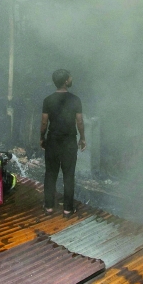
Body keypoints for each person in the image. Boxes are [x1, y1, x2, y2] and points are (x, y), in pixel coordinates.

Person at [41, 69, 86, 216]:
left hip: (53, 140)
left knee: (50, 174)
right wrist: (83, 137)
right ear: (66, 81)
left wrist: (42, 137)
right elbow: (79, 121)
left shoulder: (48, 100)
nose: (72, 78)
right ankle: (67, 209)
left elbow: (44, 122)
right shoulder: (75, 100)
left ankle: (49, 207)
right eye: (70, 77)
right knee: (68, 175)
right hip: (69, 141)